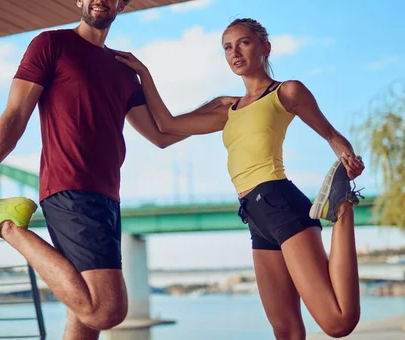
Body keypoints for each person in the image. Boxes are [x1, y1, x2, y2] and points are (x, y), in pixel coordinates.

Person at [0, 0, 235, 340]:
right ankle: (5, 224)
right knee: (107, 309)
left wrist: (215, 109)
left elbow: (161, 134)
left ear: (122, 4)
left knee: (84, 322)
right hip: (70, 187)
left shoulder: (122, 71)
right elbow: (15, 115)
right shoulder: (51, 44)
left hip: (107, 197)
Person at [114, 17, 365, 339]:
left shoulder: (286, 92)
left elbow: (331, 134)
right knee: (285, 329)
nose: (235, 52)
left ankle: (343, 205)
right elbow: (163, 129)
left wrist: (348, 160)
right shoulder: (225, 108)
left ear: (265, 48)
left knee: (338, 323)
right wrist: (139, 76)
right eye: (227, 47)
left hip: (280, 201)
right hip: (255, 214)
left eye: (244, 42)